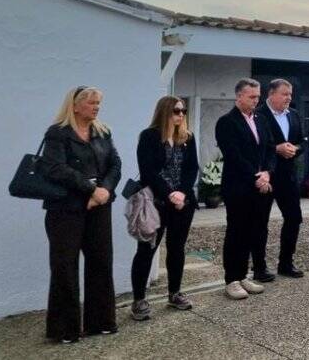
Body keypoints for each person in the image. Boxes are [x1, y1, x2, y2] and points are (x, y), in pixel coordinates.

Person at [40, 86, 121, 343]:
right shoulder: (58, 133)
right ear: (75, 106)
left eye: (98, 103)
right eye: (91, 103)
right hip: (65, 209)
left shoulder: (102, 132)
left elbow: (115, 164)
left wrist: (104, 190)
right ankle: (65, 330)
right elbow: (55, 168)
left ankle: (101, 322)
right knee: (65, 267)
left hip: (100, 206)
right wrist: (90, 189)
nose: (96, 107)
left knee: (101, 262)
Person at [129, 96, 199, 321]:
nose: (181, 115)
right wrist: (169, 193)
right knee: (146, 250)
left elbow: (192, 169)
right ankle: (139, 299)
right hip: (156, 203)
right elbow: (148, 171)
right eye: (176, 111)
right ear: (165, 112)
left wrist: (182, 193)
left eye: (183, 111)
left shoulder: (187, 137)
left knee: (177, 248)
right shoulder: (149, 136)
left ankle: (174, 293)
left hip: (182, 204)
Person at [215, 78, 276, 299]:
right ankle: (231, 279)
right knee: (236, 232)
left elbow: (270, 148)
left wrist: (267, 172)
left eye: (257, 96)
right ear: (239, 96)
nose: (255, 100)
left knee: (252, 231)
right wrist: (256, 177)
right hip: (238, 187)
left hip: (260, 185)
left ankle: (242, 276)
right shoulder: (226, 122)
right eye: (251, 97)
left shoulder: (261, 119)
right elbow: (234, 155)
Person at [255, 79, 306, 278]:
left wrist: (295, 148)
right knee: (260, 221)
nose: (289, 98)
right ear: (271, 94)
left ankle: (286, 263)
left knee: (294, 218)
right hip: (266, 176)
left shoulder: (294, 114)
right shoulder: (258, 114)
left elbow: (302, 141)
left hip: (288, 175)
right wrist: (277, 148)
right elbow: (255, 144)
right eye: (285, 94)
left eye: (290, 94)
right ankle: (259, 267)